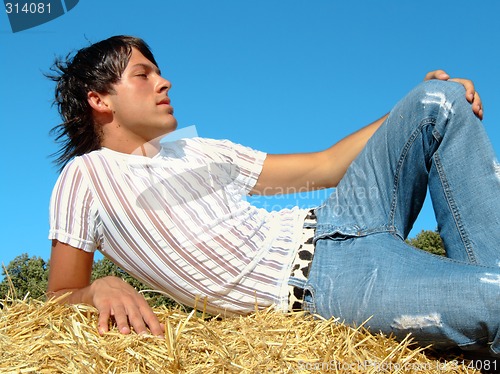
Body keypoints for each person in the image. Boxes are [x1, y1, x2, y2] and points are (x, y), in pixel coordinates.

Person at [46, 35, 499, 357]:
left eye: (160, 73)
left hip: (343, 213)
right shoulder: (86, 176)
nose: (164, 83)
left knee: (436, 99)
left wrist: (409, 107)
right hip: (320, 281)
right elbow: (57, 296)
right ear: (99, 100)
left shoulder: (197, 149)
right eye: (142, 75)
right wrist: (96, 288)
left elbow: (323, 166)